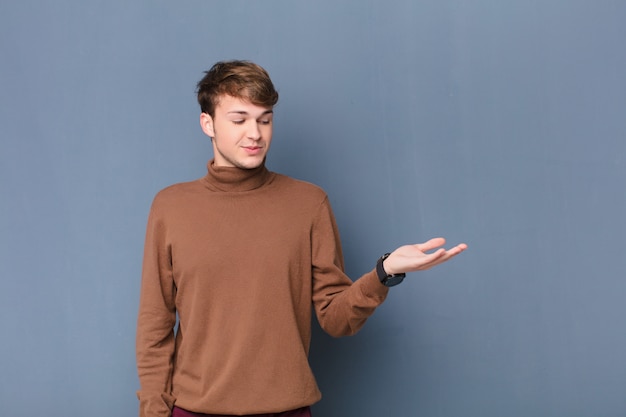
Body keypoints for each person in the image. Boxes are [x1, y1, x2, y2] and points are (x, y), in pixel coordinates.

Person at [135, 60, 467, 417]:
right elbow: (155, 328)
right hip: (193, 410)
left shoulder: (308, 203)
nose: (255, 133)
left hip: (286, 410)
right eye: (239, 119)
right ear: (208, 124)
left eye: (265, 119)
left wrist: (383, 273)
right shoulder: (171, 207)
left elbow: (336, 319)